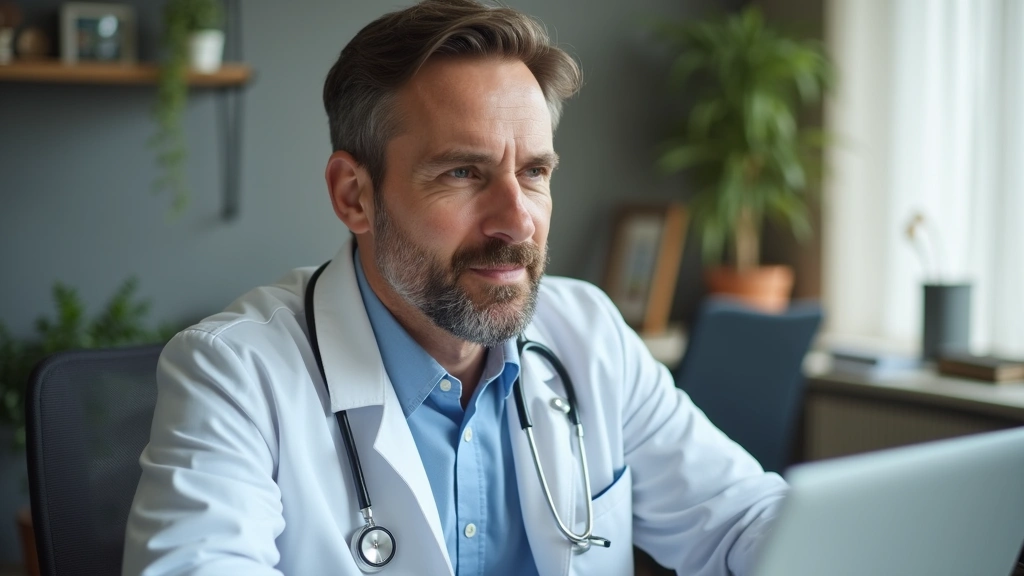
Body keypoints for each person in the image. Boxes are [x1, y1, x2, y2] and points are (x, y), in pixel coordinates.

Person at [122, 1, 788, 574]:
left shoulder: (588, 332)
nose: (515, 219)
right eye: (464, 173)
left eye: (533, 172)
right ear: (355, 197)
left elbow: (741, 520)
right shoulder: (234, 374)